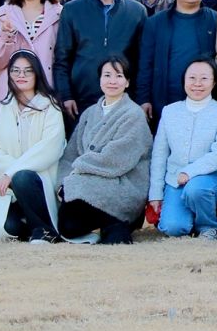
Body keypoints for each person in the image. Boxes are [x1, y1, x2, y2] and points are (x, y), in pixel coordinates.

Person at [21, 56, 151, 243]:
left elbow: (117, 158)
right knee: (68, 226)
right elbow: (70, 154)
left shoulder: (134, 114)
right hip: (86, 181)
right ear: (100, 79)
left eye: (119, 76)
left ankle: (117, 223)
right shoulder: (90, 113)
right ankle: (110, 224)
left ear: (127, 82)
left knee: (86, 222)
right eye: (107, 75)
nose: (112, 81)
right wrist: (64, 181)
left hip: (120, 182)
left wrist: (79, 168)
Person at [0, 50, 66, 241]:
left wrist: (12, 172)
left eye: (28, 70)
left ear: (37, 74)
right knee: (7, 228)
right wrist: (10, 173)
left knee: (23, 177)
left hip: (38, 186)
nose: (21, 75)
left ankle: (44, 230)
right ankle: (29, 225)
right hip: (8, 191)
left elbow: (50, 149)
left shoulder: (50, 108)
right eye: (15, 70)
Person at [53, 0, 148, 128]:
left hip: (123, 100)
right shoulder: (72, 10)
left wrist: (142, 98)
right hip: (80, 99)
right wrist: (65, 95)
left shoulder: (136, 11)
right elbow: (61, 59)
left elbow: (143, 61)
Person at [148, 59, 217, 238]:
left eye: (204, 78)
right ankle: (193, 215)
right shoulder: (169, 112)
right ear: (184, 81)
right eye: (192, 78)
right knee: (173, 228)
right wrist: (155, 194)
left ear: (214, 82)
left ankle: (209, 227)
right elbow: (159, 155)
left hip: (213, 178)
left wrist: (190, 172)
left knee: (196, 189)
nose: (197, 84)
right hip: (175, 180)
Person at [139, 0, 217, 120]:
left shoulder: (216, 20)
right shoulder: (155, 23)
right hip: (164, 101)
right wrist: (143, 98)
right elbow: (145, 64)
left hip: (206, 101)